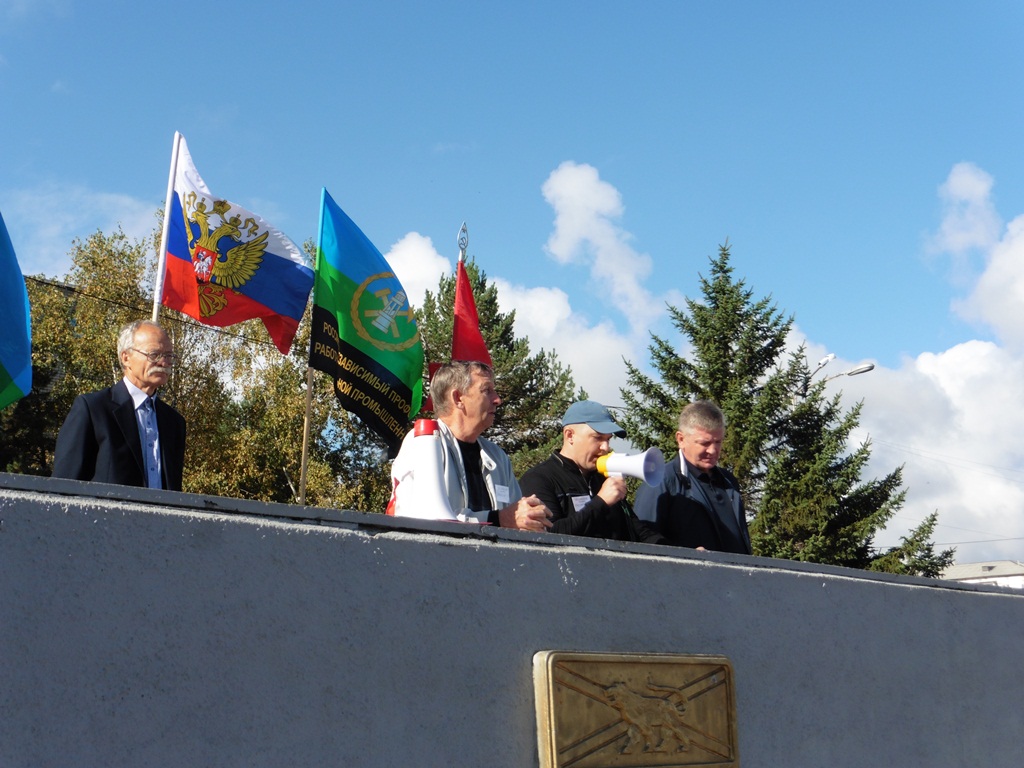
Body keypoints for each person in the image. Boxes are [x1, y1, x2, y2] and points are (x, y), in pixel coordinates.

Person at [388, 360, 553, 531]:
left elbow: (516, 520)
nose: (498, 399)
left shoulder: (497, 457)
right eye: (486, 390)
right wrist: (499, 519)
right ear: (458, 398)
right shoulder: (423, 442)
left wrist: (531, 520)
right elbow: (425, 520)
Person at [52, 319, 186, 491]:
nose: (164, 363)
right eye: (154, 355)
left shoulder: (174, 422)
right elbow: (63, 485)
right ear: (126, 357)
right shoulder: (93, 409)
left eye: (169, 356)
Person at [520, 400, 666, 544]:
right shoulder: (539, 478)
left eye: (608, 439)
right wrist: (601, 502)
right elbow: (550, 534)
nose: (606, 447)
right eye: (598, 438)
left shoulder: (602, 479)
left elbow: (638, 530)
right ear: (570, 435)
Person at [634, 400, 752, 554]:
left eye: (718, 442)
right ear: (681, 439)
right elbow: (642, 540)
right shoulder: (660, 481)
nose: (713, 450)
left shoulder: (729, 482)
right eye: (705, 443)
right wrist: (685, 556)